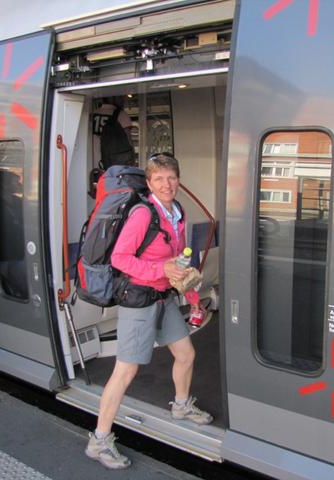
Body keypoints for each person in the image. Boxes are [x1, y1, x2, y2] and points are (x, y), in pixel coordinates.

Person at [85, 153, 213, 469]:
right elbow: (120, 258)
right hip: (139, 300)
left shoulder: (177, 211)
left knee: (186, 354)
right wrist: (160, 268)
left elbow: (179, 262)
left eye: (171, 178)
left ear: (178, 180)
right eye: (159, 179)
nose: (166, 184)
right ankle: (99, 441)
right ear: (149, 183)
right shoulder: (143, 213)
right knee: (125, 371)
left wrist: (192, 295)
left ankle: (181, 405)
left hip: (164, 298)